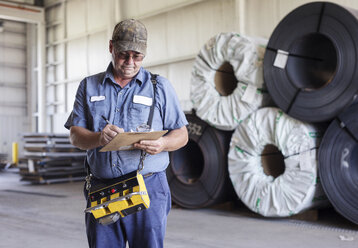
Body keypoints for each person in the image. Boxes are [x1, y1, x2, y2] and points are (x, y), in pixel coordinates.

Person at [64, 19, 188, 248]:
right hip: (102, 186)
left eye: (137, 56)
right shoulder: (89, 86)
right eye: (123, 54)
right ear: (111, 47)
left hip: (148, 185)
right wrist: (98, 137)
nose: (130, 62)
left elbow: (181, 134)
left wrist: (162, 144)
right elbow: (75, 135)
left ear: (145, 54)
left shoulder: (160, 87)